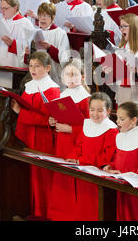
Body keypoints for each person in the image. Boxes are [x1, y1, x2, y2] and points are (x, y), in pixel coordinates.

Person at [11, 51, 61, 220]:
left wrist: (19, 112)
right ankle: (33, 212)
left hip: (43, 137)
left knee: (43, 177)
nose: (32, 69)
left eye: (37, 66)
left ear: (47, 68)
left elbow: (49, 119)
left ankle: (44, 214)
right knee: (32, 176)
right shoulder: (29, 84)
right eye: (31, 65)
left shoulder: (52, 89)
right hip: (28, 134)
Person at [47, 58, 91, 221]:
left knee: (73, 181)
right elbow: (58, 117)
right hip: (61, 143)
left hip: (76, 145)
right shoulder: (62, 95)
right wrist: (52, 122)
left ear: (83, 77)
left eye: (74, 74)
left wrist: (71, 129)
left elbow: (92, 128)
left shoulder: (86, 99)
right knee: (60, 179)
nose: (70, 78)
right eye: (67, 74)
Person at [65, 92, 119, 221]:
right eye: (92, 110)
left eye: (100, 110)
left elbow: (106, 156)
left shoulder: (111, 130)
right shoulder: (87, 124)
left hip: (97, 174)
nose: (95, 114)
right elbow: (79, 145)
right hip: (81, 170)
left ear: (108, 111)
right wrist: (71, 158)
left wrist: (81, 160)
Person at [103, 101, 138, 221]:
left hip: (135, 192)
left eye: (121, 119)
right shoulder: (120, 136)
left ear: (133, 120)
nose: (117, 122)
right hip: (121, 186)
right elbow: (118, 160)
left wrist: (125, 174)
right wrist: (110, 166)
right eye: (117, 118)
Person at [28, 2, 71, 88]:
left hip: (55, 76)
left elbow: (64, 59)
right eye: (40, 15)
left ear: (53, 17)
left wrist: (50, 48)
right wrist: (28, 51)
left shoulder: (60, 33)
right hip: (37, 75)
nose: (42, 19)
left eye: (46, 16)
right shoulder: (34, 32)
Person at [114, 13, 138, 105]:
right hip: (122, 90)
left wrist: (137, 71)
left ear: (134, 28)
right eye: (120, 26)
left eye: (124, 26)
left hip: (136, 92)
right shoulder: (122, 47)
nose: (121, 29)